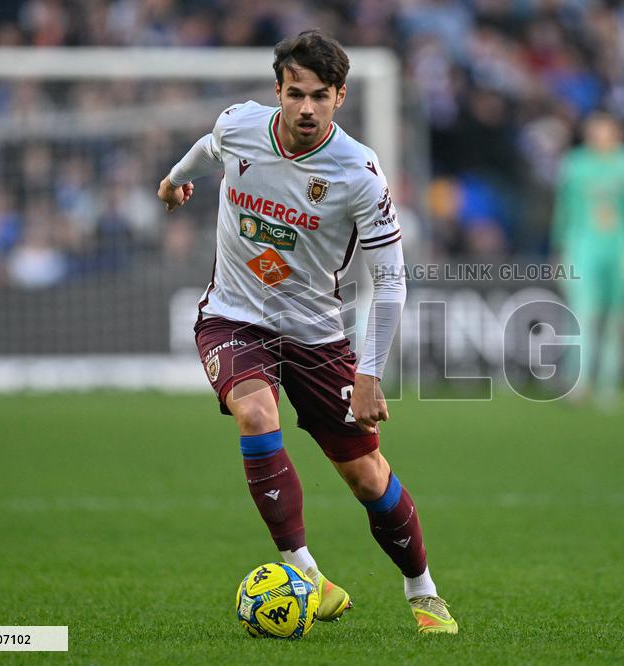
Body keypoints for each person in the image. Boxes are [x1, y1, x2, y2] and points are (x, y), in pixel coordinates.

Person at [156, 30, 458, 635]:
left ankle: (424, 595)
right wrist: (173, 180)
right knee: (255, 413)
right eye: (295, 94)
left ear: (340, 97)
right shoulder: (241, 125)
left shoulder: (359, 173)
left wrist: (370, 375)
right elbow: (207, 146)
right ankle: (307, 574)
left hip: (318, 335)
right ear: (278, 92)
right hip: (233, 316)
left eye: (320, 96)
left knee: (366, 476)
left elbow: (392, 282)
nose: (306, 108)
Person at [552, 112, 624, 408]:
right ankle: (577, 382)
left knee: (616, 317)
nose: (599, 136)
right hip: (582, 243)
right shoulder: (575, 164)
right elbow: (565, 209)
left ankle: (607, 384)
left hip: (620, 245)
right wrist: (560, 248)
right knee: (580, 313)